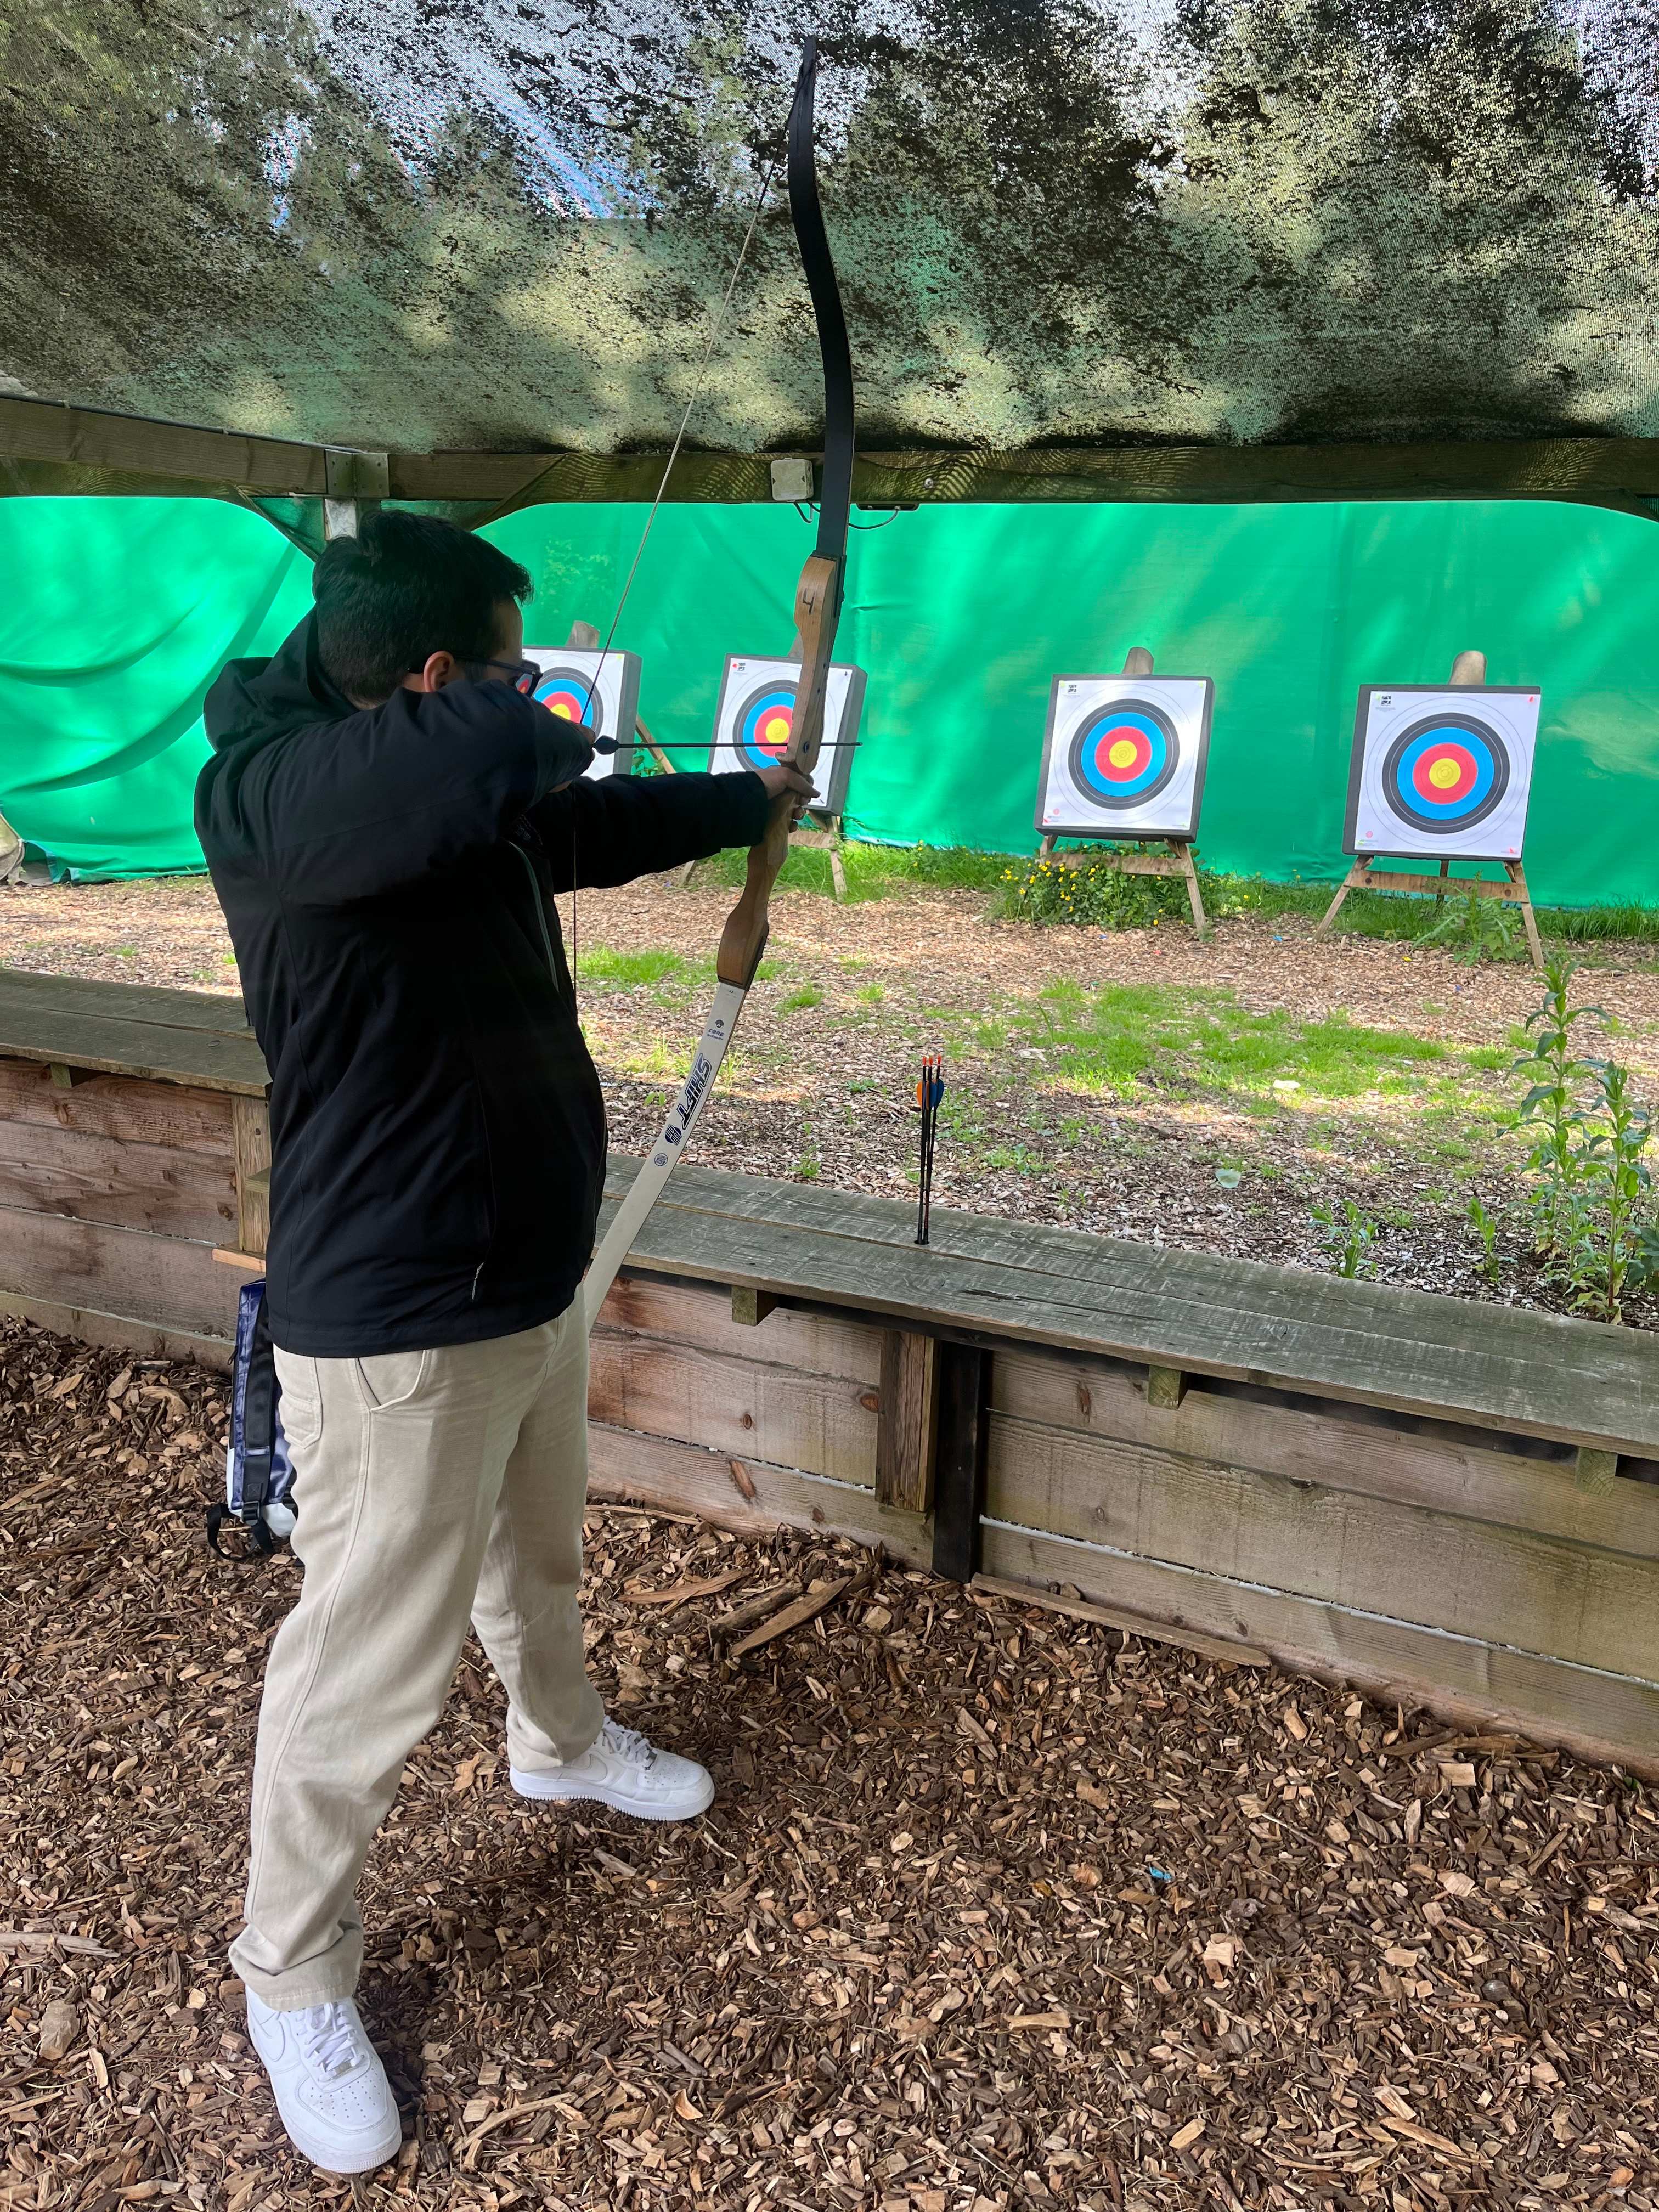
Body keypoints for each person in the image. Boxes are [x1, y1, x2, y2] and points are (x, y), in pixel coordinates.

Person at [195, 510, 812, 2175]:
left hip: (526, 1273)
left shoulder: (436, 779)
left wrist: (749, 798)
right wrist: (531, 711)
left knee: (536, 1556)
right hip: (397, 1311)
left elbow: (571, 823)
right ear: (433, 677)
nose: (532, 694)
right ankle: (291, 1974)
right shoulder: (279, 799)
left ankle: (559, 1744)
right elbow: (504, 750)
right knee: (365, 1661)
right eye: (506, 666)